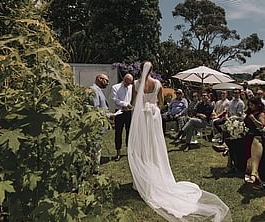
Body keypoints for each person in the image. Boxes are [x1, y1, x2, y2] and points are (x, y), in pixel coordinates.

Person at [128, 61, 231, 222]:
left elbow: (134, 103)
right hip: (153, 117)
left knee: (142, 146)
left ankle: (140, 181)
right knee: (155, 147)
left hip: (142, 118)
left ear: (140, 69)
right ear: (152, 70)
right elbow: (162, 104)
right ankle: (157, 178)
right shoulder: (157, 84)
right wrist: (153, 106)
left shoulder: (135, 84)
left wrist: (143, 107)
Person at [90, 73, 110, 173]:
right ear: (99, 79)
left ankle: (95, 167)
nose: (107, 83)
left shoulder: (98, 90)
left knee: (98, 147)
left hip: (100, 122)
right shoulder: (93, 90)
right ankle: (94, 169)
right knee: (95, 147)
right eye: (106, 80)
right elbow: (96, 108)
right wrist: (109, 115)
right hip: (97, 124)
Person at [111, 73, 133, 161]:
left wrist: (130, 106)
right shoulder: (115, 87)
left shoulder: (131, 87)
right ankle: (118, 152)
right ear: (124, 79)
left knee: (129, 132)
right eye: (127, 82)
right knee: (118, 132)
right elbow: (115, 99)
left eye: (130, 83)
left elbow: (133, 98)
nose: (128, 84)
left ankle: (129, 151)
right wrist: (124, 104)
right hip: (119, 112)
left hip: (128, 112)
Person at [243, 97, 265, 185]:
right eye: (250, 105)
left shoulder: (261, 114)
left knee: (254, 139)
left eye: (252, 105)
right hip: (248, 133)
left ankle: (254, 172)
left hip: (257, 134)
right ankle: (225, 147)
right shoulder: (249, 112)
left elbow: (261, 126)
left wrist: (253, 119)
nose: (251, 107)